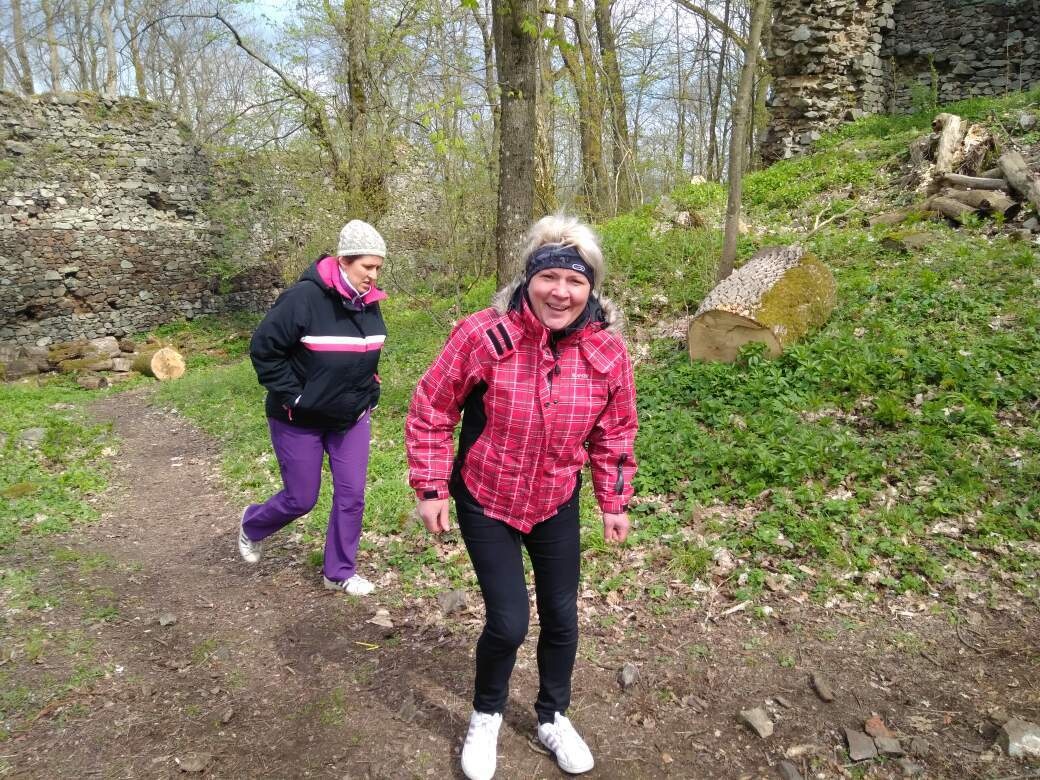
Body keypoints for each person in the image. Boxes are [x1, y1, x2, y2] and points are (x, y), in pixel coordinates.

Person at [405, 215, 637, 780]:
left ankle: (552, 716)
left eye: (575, 281)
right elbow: (433, 407)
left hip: (556, 499)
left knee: (561, 617)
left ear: (591, 288)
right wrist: (431, 487)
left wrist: (613, 501)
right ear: (528, 278)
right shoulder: (483, 335)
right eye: (549, 277)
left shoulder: (607, 352)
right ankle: (486, 715)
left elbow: (616, 432)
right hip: (487, 496)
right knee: (509, 622)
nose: (561, 292)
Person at [238, 219, 388, 596]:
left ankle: (339, 572)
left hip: (350, 416)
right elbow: (264, 350)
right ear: (343, 261)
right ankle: (253, 524)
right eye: (367, 266)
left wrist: (370, 390)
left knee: (352, 496)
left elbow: (365, 353)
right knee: (301, 498)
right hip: (299, 418)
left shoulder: (369, 304)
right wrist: (296, 397)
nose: (373, 275)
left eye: (378, 268)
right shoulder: (303, 298)